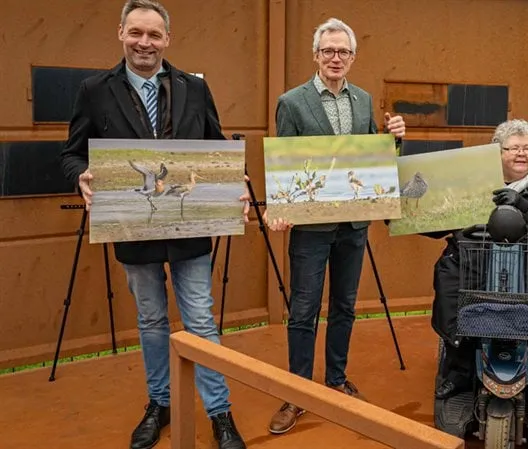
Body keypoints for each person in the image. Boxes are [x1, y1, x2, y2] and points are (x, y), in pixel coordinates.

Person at [59, 1, 246, 448]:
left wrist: (232, 181)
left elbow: (215, 148)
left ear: (168, 39)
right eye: (136, 33)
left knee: (200, 320)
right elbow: (71, 154)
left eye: (154, 35)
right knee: (151, 319)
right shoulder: (94, 90)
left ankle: (219, 413)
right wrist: (80, 177)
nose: (145, 43)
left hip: (191, 231)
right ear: (121, 32)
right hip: (132, 231)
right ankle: (159, 403)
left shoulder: (194, 89)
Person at [258, 17, 406, 435]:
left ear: (353, 57)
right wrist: (279, 206)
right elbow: (284, 162)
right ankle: (298, 391)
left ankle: (336, 379)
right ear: (316, 55)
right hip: (310, 227)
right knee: (303, 309)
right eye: (328, 51)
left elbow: (373, 156)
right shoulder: (292, 102)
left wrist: (395, 138)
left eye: (343, 51)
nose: (335, 57)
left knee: (344, 306)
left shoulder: (363, 99)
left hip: (354, 224)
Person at [430, 118, 528, 400]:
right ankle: (459, 369)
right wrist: (406, 217)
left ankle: (524, 358)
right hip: (474, 264)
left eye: (527, 148)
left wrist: (525, 205)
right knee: (451, 283)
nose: (521, 153)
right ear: (497, 153)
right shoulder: (474, 183)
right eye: (512, 148)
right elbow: (438, 219)